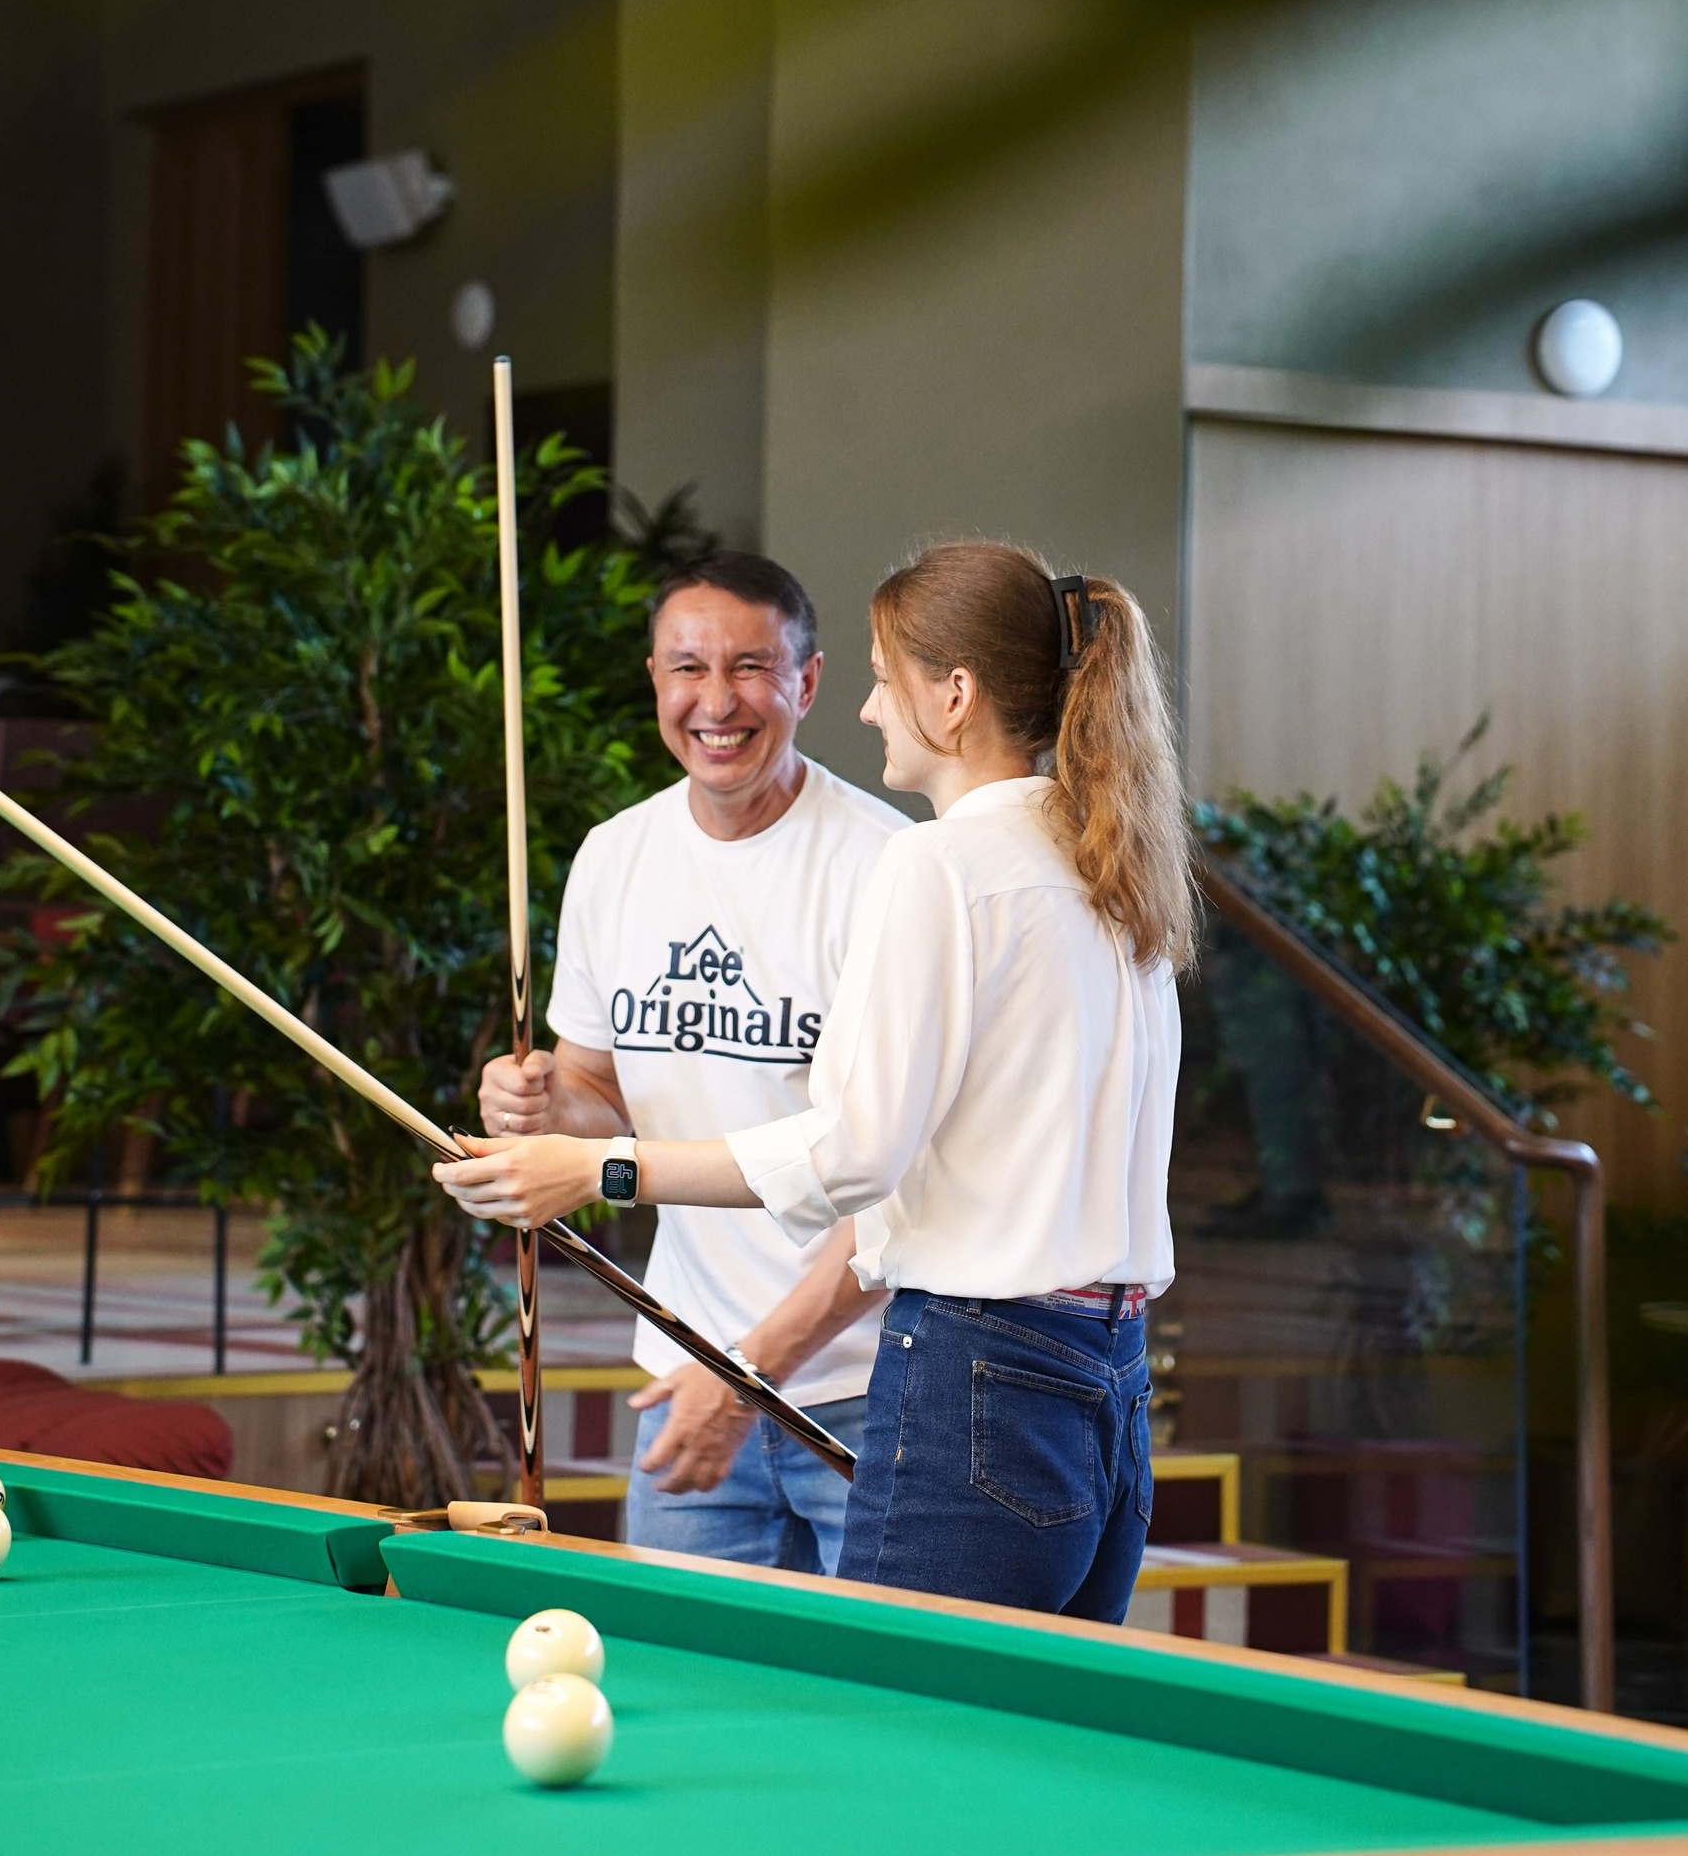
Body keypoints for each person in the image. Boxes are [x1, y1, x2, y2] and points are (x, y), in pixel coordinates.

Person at [442, 539, 1191, 1622]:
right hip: (1108, 1373)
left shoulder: (932, 861)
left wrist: (601, 1170)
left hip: (976, 1369)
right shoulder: (1105, 855)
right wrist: (564, 1120)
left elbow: (853, 1153)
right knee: (1027, 1721)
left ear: (955, 695)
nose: (873, 710)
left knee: (897, 1712)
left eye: (885, 680)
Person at [475, 550, 902, 1575]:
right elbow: (597, 1092)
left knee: (871, 1678)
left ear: (808, 682)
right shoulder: (615, 856)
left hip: (863, 1383)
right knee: (679, 1672)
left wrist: (750, 1375)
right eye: (688, 668)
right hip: (686, 1366)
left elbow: (898, 1178)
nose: (716, 702)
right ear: (655, 680)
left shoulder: (887, 868)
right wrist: (540, 1106)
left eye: (750, 667)